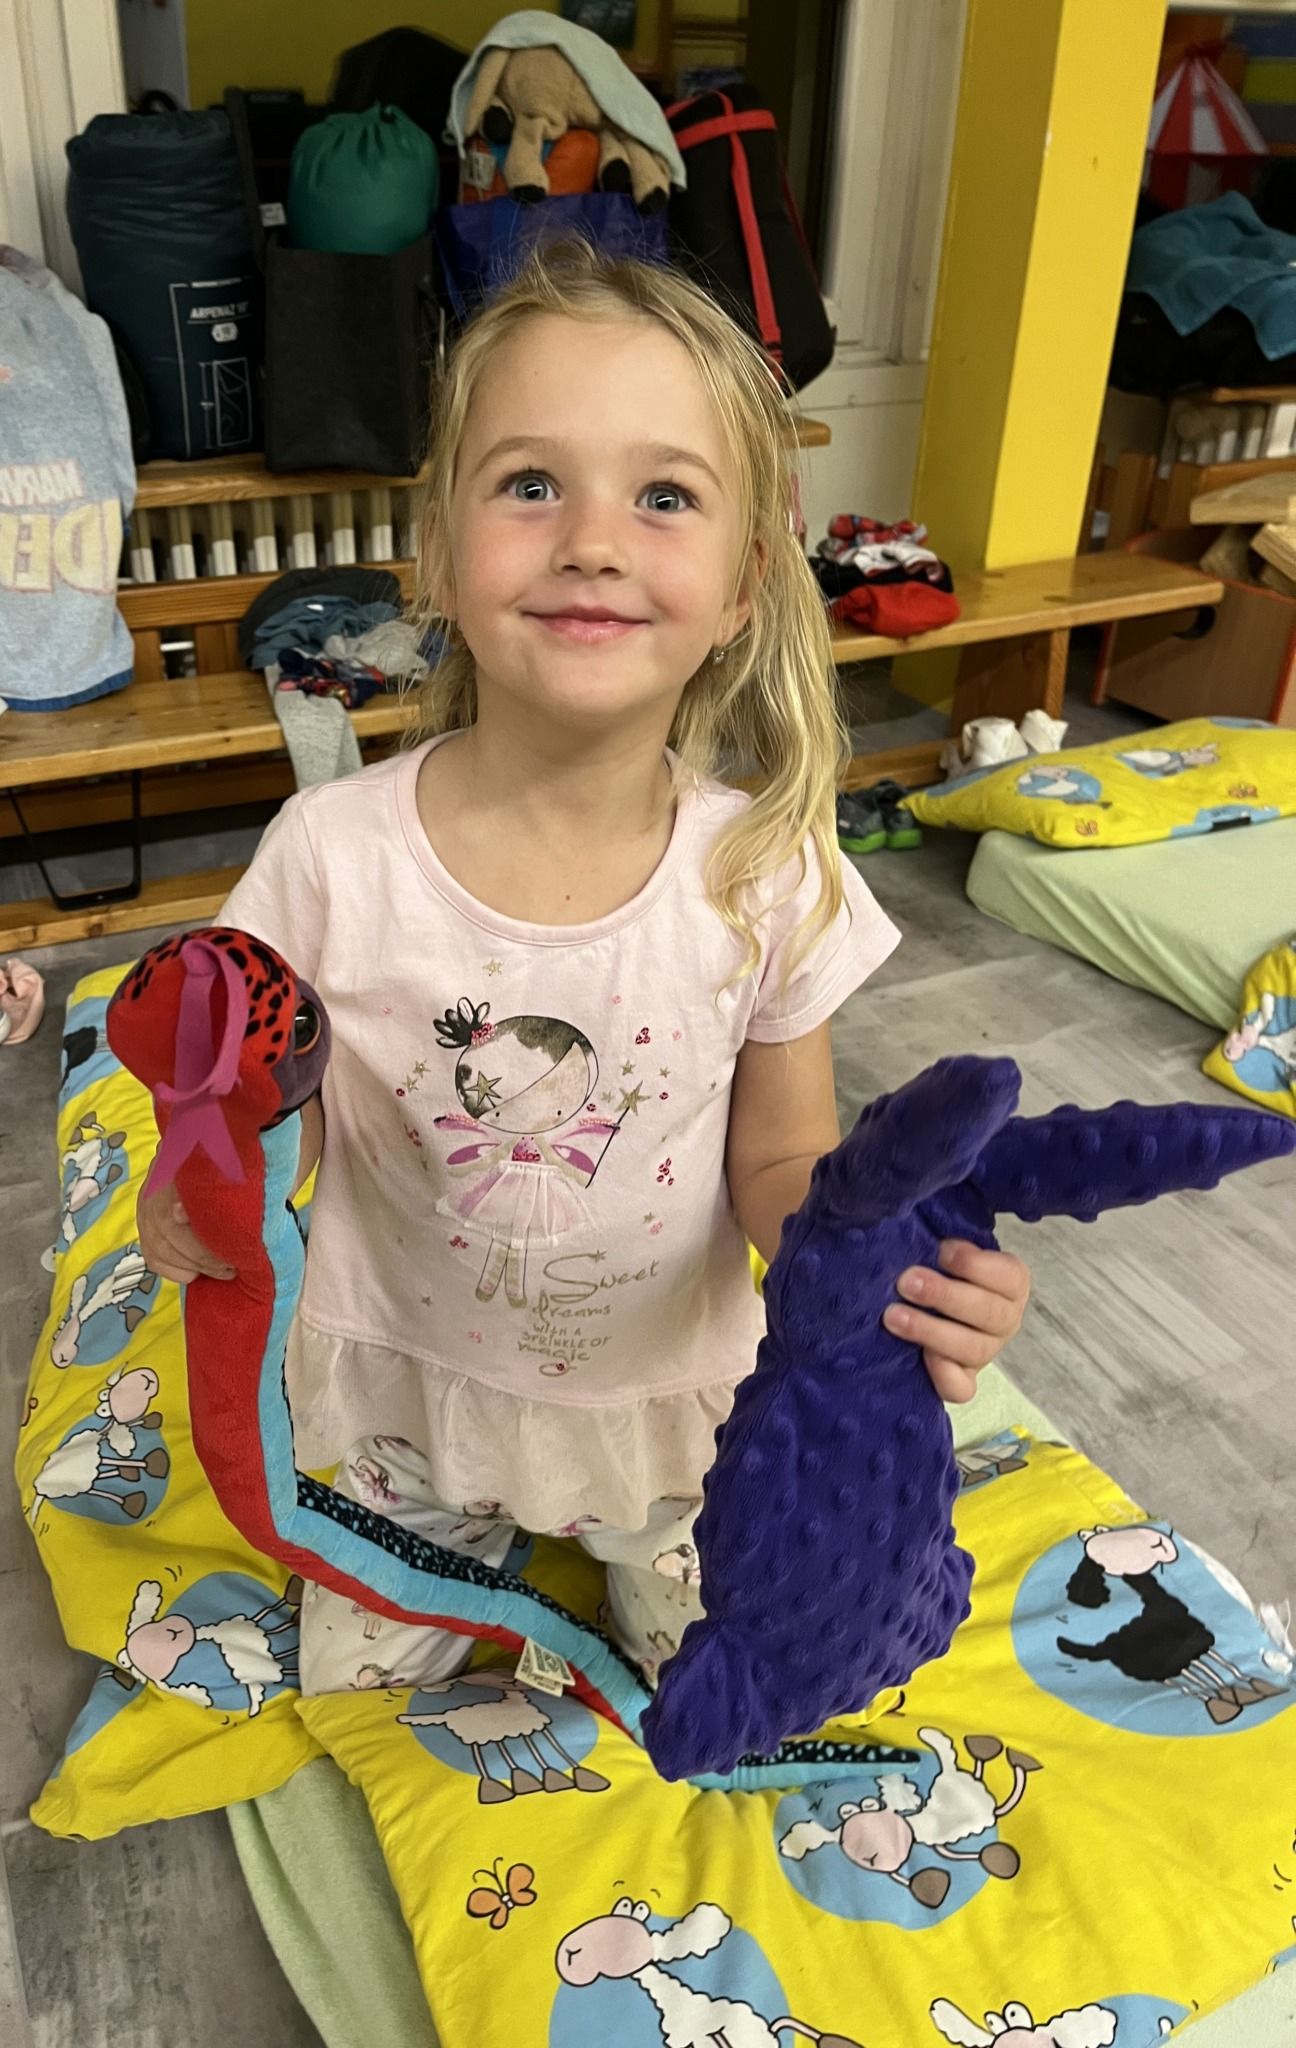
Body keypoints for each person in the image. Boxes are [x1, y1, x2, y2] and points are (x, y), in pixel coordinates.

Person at [139, 243, 1031, 1693]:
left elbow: (783, 1156)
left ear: (742, 586)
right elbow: (239, 1085)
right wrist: (197, 1172)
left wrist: (879, 1247)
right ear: (437, 551)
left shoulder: (767, 869)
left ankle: (642, 1540)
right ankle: (449, 1523)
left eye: (664, 496)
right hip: (410, 1385)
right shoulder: (330, 856)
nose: (594, 541)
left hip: (662, 1406)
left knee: (722, 1647)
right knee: (357, 1676)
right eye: (531, 483)